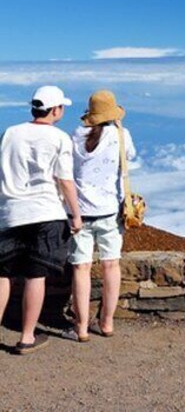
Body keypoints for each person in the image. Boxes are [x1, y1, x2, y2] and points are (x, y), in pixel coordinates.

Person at [0, 86, 83, 354]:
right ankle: (26, 337)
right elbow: (65, 180)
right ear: (55, 109)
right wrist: (76, 214)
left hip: (11, 212)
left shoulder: (11, 133)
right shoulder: (59, 138)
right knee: (36, 276)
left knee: (3, 274)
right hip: (46, 213)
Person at [66, 90, 135, 342]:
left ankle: (81, 327)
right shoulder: (120, 135)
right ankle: (106, 323)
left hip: (79, 212)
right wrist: (119, 127)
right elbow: (129, 157)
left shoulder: (76, 135)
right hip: (110, 211)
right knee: (111, 265)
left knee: (81, 269)